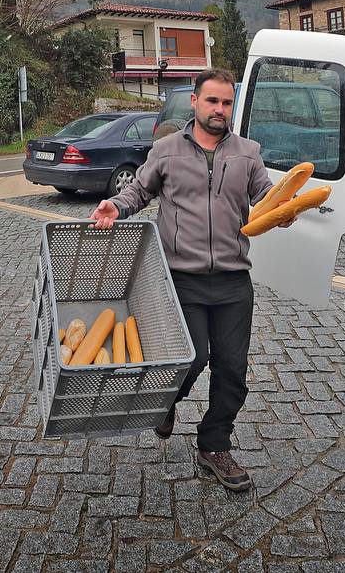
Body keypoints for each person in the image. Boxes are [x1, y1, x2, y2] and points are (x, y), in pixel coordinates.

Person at [90, 67, 278, 492]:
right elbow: (138, 190)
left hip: (233, 280)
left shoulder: (248, 152)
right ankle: (168, 402)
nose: (220, 110)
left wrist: (281, 211)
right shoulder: (167, 149)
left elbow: (267, 197)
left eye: (227, 102)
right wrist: (116, 208)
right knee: (191, 358)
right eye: (212, 101)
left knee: (232, 368)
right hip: (182, 277)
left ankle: (214, 445)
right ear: (194, 102)